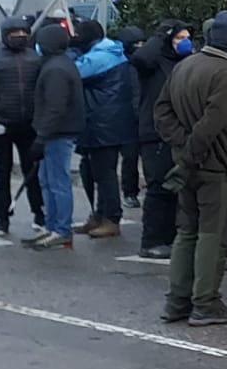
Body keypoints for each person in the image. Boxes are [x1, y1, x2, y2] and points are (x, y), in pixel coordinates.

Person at [153, 12, 227, 327]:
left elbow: (162, 111)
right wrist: (192, 151)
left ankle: (177, 300)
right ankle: (206, 301)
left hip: (186, 164)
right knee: (213, 234)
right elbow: (214, 121)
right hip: (214, 163)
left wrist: (182, 149)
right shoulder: (226, 73)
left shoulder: (185, 65)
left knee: (186, 231)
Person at [0, 16, 46, 237]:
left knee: (33, 172)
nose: (20, 38)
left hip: (30, 126)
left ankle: (39, 213)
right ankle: (2, 218)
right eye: (15, 34)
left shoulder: (35, 59)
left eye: (24, 34)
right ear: (5, 36)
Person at [129, 19, 191, 259]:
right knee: (158, 187)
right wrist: (161, 34)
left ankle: (171, 236)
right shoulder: (153, 62)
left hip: (178, 132)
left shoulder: (184, 63)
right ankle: (152, 240)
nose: (184, 42)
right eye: (178, 38)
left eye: (187, 37)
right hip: (154, 133)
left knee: (176, 187)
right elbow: (140, 58)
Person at [69, 20, 134, 241]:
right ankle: (99, 214)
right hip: (101, 122)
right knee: (91, 170)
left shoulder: (100, 57)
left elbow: (73, 73)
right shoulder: (109, 51)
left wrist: (68, 52)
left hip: (103, 123)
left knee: (104, 174)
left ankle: (111, 218)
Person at [25, 23, 83, 251]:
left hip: (57, 133)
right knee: (47, 181)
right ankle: (52, 227)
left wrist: (42, 136)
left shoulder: (56, 69)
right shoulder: (57, 64)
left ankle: (61, 229)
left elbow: (55, 107)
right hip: (54, 132)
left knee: (57, 182)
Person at [113, 25, 148, 210]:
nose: (139, 46)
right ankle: (130, 192)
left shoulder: (143, 63)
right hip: (128, 118)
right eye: (136, 43)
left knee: (146, 157)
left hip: (142, 115)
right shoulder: (121, 64)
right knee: (130, 158)